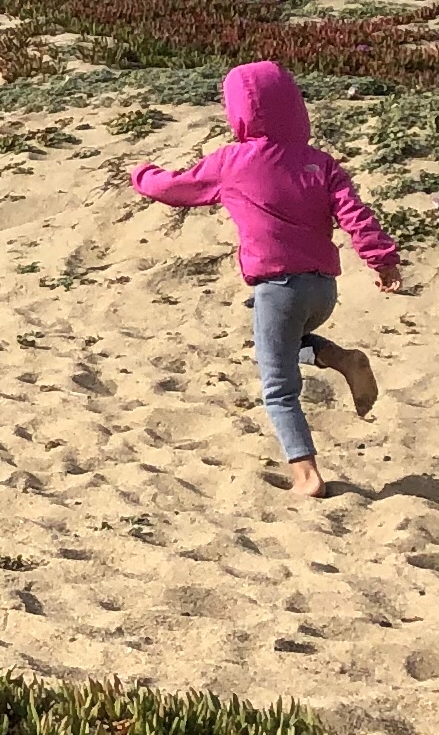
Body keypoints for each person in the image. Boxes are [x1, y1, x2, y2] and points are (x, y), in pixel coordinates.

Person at [129, 60, 403, 499]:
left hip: (278, 288)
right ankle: (340, 358)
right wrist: (382, 260)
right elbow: (355, 215)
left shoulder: (232, 161)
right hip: (323, 290)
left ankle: (307, 475)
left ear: (237, 111)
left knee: (278, 387)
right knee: (275, 339)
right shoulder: (320, 163)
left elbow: (175, 188)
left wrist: (143, 173)